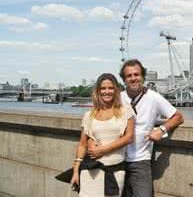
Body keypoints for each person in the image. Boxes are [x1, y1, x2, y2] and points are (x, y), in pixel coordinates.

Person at [119, 59, 184, 197]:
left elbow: (178, 117)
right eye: (129, 76)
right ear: (124, 80)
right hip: (117, 158)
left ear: (143, 77)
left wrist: (161, 130)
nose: (133, 78)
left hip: (140, 161)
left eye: (136, 74)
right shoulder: (118, 98)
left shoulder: (153, 98)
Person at [71, 73, 135, 197]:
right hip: (90, 172)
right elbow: (82, 145)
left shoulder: (126, 110)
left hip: (115, 171)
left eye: (110, 88)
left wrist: (102, 150)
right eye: (103, 88)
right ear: (98, 91)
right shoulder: (89, 116)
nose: (107, 92)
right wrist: (75, 171)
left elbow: (129, 137)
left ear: (116, 90)